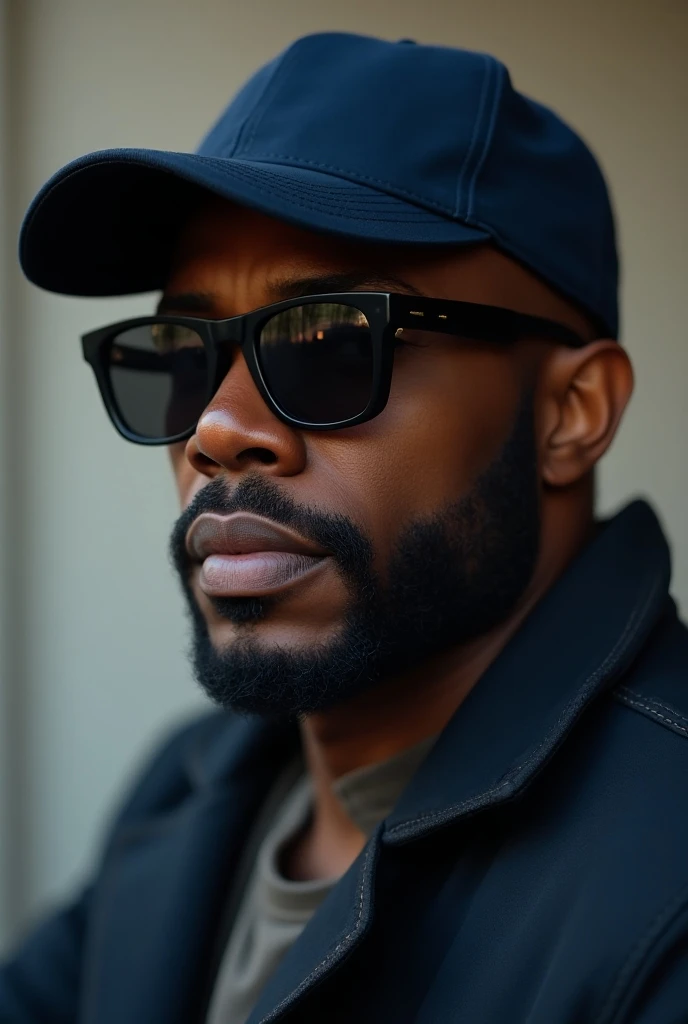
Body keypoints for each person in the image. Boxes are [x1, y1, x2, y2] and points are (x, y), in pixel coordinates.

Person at [3, 30, 687, 1024]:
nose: (217, 428)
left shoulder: (664, 884)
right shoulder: (188, 788)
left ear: (569, 413)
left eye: (328, 341)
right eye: (179, 353)